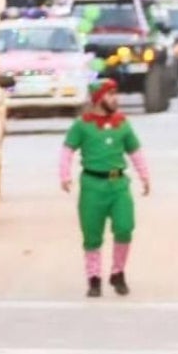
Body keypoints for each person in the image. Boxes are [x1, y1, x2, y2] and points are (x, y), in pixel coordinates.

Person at [59, 79, 151, 298]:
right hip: (92, 185)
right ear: (98, 98)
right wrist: (64, 174)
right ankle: (94, 278)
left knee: (124, 227)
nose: (114, 99)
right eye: (110, 95)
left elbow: (135, 151)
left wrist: (144, 175)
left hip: (118, 184)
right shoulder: (82, 125)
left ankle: (118, 272)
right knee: (92, 234)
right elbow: (67, 150)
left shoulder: (123, 124)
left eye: (115, 94)